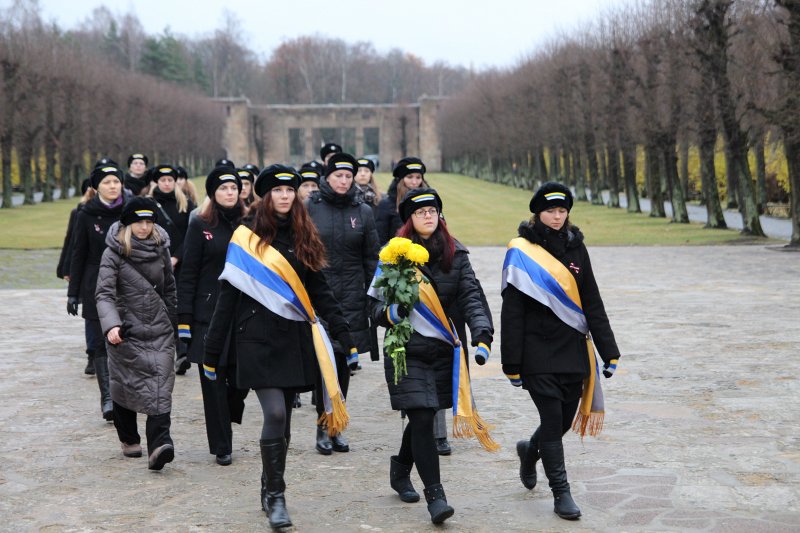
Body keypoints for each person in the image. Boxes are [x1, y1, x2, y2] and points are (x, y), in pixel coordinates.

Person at [203, 164, 354, 529]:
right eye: (277, 191)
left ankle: (268, 482)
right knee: (273, 414)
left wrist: (345, 334)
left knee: (283, 421)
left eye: (290, 190)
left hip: (293, 340)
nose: (284, 196)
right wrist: (211, 351)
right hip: (254, 340)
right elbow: (228, 295)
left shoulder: (305, 233)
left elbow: (319, 290)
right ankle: (277, 496)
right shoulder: (246, 236)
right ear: (265, 196)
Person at [369, 188, 493, 525]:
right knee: (422, 417)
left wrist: (482, 333)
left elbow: (471, 297)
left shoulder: (457, 253)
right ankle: (436, 496)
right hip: (406, 351)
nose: (428, 215)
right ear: (409, 219)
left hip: (444, 350)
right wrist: (391, 313)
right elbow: (374, 306)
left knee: (423, 413)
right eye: (420, 211)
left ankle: (400, 469)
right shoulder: (392, 257)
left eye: (433, 210)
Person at [500, 182, 620, 520]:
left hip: (573, 351)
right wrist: (511, 363)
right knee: (552, 422)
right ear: (537, 212)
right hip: (536, 352)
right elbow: (512, 311)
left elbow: (592, 301)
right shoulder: (522, 250)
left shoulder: (576, 247)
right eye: (551, 210)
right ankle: (561, 493)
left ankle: (529, 450)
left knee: (563, 420)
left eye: (562, 210)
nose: (556, 216)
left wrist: (609, 350)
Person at [94, 197, 177, 470]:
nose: (144, 227)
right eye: (138, 222)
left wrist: (174, 321)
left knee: (161, 386)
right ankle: (129, 437)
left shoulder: (161, 248)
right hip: (126, 330)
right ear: (127, 224)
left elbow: (169, 289)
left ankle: (160, 445)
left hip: (160, 330)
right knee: (125, 385)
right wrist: (112, 326)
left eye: (149, 221)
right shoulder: (113, 253)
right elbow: (104, 294)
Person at [306, 153, 380, 455]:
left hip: (351, 296)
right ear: (328, 177)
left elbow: (371, 256)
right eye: (338, 175)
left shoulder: (362, 211)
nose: (344, 181)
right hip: (318, 295)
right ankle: (323, 424)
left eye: (348, 176)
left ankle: (335, 425)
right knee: (325, 362)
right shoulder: (311, 207)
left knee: (342, 363)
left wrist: (372, 294)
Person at [177, 167, 249, 466]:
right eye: (223, 188)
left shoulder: (251, 223)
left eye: (234, 187)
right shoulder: (200, 223)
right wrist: (184, 321)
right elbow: (189, 273)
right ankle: (222, 445)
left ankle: (231, 412)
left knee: (240, 380)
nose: (230, 192)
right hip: (209, 313)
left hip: (244, 313)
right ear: (213, 193)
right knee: (212, 379)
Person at [67, 163, 126, 421]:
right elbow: (77, 254)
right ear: (96, 187)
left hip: (127, 284)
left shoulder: (131, 212)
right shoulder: (86, 214)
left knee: (125, 340)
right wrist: (73, 293)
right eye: (107, 182)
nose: (113, 186)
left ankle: (125, 394)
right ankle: (107, 398)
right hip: (95, 284)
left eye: (116, 181)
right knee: (101, 343)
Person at [57, 177, 96, 375]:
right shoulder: (80, 211)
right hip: (89, 271)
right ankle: (92, 354)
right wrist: (65, 269)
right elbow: (72, 242)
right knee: (90, 314)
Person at [149, 164, 195, 279]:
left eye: (170, 180)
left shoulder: (186, 204)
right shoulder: (148, 204)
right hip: (154, 261)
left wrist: (175, 258)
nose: (167, 183)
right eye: (163, 180)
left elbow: (191, 234)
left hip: (182, 262)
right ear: (157, 182)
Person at [375, 157, 428, 245]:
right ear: (400, 179)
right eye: (409, 177)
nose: (414, 182)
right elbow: (380, 239)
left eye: (418, 177)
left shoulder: (430, 202)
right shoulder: (387, 205)